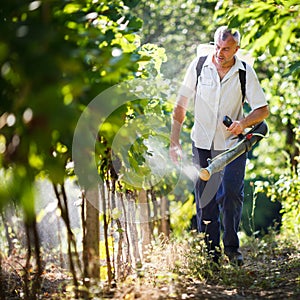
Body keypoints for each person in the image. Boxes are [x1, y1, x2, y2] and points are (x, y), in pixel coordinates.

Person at [169, 26, 269, 265]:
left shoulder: (245, 71)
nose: (220, 53)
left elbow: (262, 110)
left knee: (232, 195)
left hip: (233, 146)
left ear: (237, 49)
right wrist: (174, 142)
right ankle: (210, 256)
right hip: (202, 145)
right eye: (217, 47)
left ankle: (232, 250)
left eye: (226, 49)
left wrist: (242, 123)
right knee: (206, 201)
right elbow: (180, 106)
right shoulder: (198, 66)